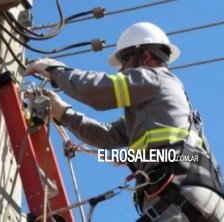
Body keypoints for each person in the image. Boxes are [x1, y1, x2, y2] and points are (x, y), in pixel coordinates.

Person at [25, 22, 224, 221]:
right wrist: (64, 113)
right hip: (199, 198)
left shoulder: (155, 77)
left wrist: (56, 71)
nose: (121, 71)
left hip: (178, 195)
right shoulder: (154, 111)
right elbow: (106, 136)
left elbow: (98, 90)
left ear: (144, 56)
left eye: (124, 61)